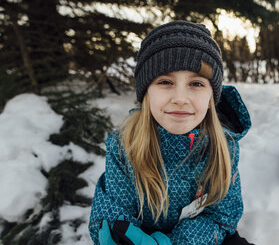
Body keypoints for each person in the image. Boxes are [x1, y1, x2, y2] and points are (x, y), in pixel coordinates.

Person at [89, 20, 253, 245]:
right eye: (165, 81)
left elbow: (221, 216)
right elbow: (113, 211)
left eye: (196, 84)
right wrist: (121, 235)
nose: (180, 98)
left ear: (210, 99)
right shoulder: (125, 145)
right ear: (147, 93)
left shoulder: (224, 145)